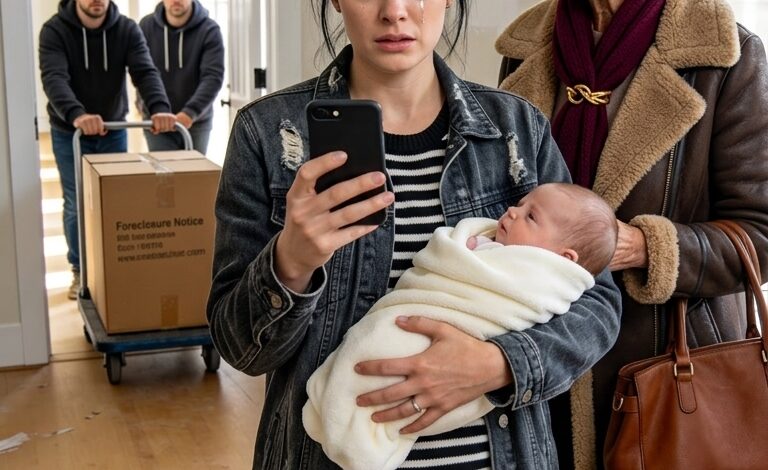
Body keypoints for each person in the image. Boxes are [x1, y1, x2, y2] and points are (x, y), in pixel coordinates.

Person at [207, 1, 621, 469]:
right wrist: (291, 263)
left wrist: (499, 364)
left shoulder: (516, 129)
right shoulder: (267, 134)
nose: (395, 11)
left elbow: (598, 305)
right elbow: (242, 350)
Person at [495, 0, 768, 468]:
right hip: (533, 373)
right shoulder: (528, 46)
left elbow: (759, 234)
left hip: (666, 388)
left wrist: (644, 247)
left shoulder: (727, 52)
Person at [303, 183, 618, 470]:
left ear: (564, 259)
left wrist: (498, 363)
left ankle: (358, 436)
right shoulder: (489, 242)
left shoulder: (549, 282)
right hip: (413, 317)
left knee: (380, 375)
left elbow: (597, 311)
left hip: (500, 444)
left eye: (531, 216)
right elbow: (446, 268)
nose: (512, 211)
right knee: (375, 354)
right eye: (520, 204)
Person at [40, 0, 176, 300]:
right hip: (71, 130)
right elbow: (54, 78)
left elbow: (145, 71)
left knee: (114, 201)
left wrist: (159, 108)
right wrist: (77, 114)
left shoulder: (126, 29)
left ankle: (113, 266)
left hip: (113, 129)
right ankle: (79, 269)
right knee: (76, 201)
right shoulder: (55, 30)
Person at [137, 0, 225, 154]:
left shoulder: (209, 29)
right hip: (157, 120)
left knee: (193, 169)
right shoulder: (146, 26)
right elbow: (140, 71)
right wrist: (148, 107)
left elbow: (212, 77)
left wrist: (190, 113)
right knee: (163, 170)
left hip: (196, 121)